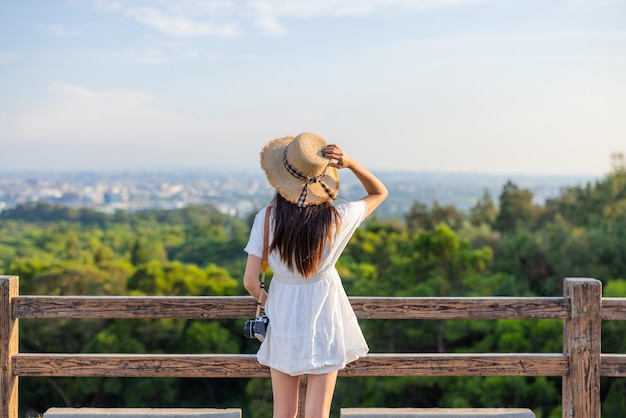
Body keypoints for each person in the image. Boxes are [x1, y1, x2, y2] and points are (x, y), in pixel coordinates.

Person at [243, 132, 388, 418]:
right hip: (325, 313)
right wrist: (352, 163)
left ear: (281, 178)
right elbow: (379, 192)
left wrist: (268, 299)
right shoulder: (339, 217)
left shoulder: (267, 218)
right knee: (318, 413)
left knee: (283, 413)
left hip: (283, 312)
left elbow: (249, 281)